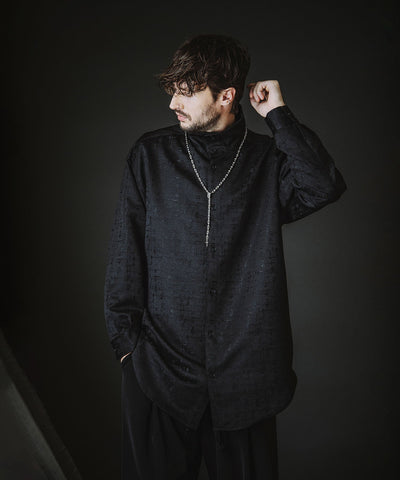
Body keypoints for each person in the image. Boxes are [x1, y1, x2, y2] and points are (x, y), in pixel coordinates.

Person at [104, 33, 347, 480]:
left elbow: (323, 185)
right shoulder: (150, 156)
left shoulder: (266, 160)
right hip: (158, 372)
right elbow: (125, 252)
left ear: (226, 96)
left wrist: (278, 115)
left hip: (247, 379)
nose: (173, 103)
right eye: (173, 90)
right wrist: (127, 348)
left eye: (186, 91)